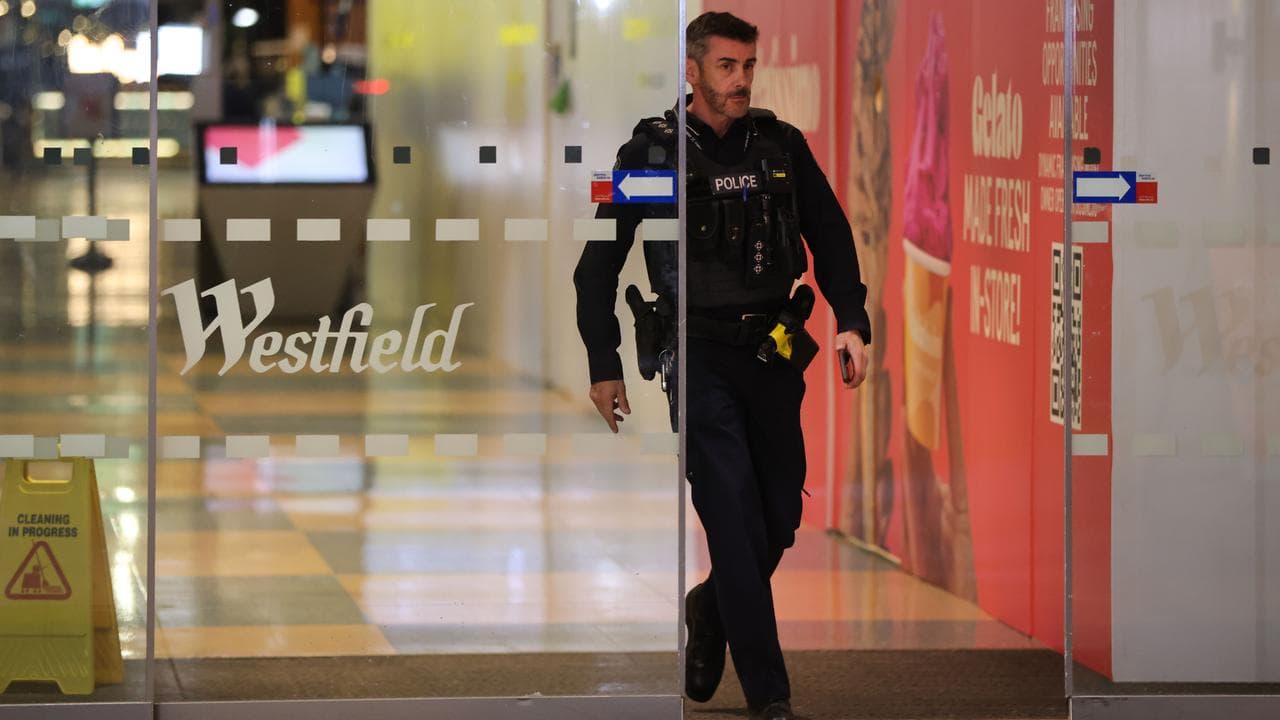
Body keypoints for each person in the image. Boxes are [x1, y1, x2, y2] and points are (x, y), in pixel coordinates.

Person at [573, 11, 871, 720]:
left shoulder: (780, 145)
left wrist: (852, 321)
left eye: (748, 67)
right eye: (726, 67)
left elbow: (830, 234)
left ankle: (709, 608)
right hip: (698, 357)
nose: (741, 81)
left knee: (777, 518)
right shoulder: (652, 154)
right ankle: (770, 695)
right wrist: (603, 361)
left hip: (771, 354)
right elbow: (598, 266)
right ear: (693, 70)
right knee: (732, 522)